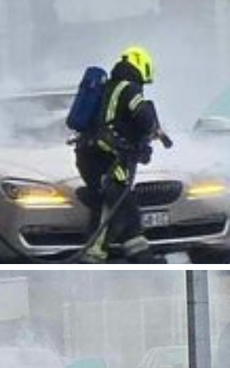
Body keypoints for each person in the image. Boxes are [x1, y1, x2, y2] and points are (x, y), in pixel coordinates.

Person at [73, 45, 172, 264]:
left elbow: (121, 123)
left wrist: (140, 145)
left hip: (95, 156)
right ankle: (91, 258)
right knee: (114, 205)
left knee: (123, 206)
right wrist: (153, 130)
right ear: (141, 64)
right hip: (105, 159)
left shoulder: (112, 86)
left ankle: (139, 255)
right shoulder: (128, 88)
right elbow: (142, 115)